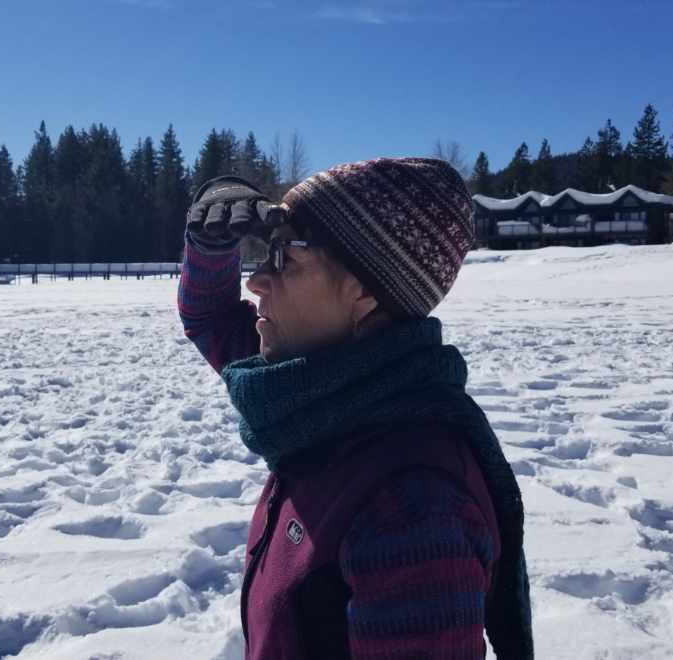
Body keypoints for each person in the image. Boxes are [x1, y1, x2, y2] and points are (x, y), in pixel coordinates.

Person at [178, 157, 533, 659]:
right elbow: (209, 317)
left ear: (365, 292)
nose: (256, 282)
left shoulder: (415, 513)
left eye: (284, 258)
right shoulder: (317, 389)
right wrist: (211, 241)